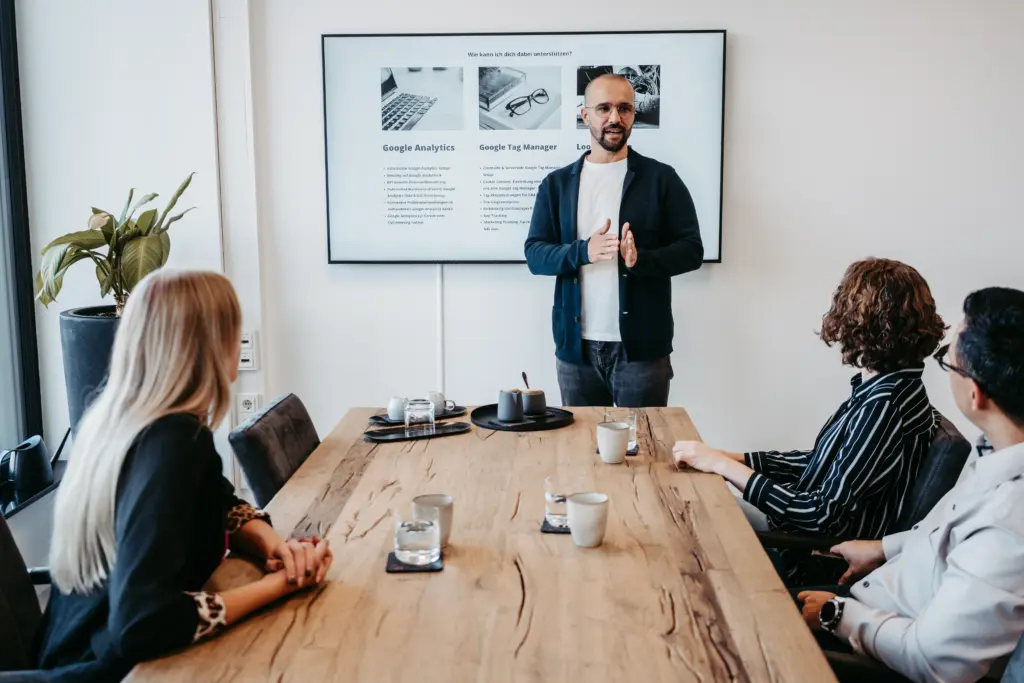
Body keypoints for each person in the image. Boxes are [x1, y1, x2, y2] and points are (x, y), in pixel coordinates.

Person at [33, 270, 333, 681]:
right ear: (211, 345)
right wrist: (281, 587)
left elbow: (217, 499)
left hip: (65, 645)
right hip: (116, 671)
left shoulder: (114, 418)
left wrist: (275, 547)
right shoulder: (174, 440)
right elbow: (142, 625)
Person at [797, 286, 1024, 683]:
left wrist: (837, 613)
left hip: (880, 643)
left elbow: (933, 660)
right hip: (878, 592)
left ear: (976, 393)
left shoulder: (1009, 524)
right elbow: (951, 535)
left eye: (946, 360)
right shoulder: (996, 449)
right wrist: (885, 547)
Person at [673, 258, 946, 585]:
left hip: (811, 553)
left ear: (861, 321)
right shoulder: (895, 386)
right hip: (798, 528)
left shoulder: (883, 405)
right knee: (694, 500)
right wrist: (734, 460)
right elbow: (823, 462)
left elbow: (823, 515)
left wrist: (724, 468)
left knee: (687, 519)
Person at [524, 72, 703, 408]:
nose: (614, 118)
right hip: (576, 352)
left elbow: (692, 250)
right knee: (580, 452)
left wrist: (641, 260)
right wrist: (583, 251)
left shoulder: (661, 179)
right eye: (604, 108)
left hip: (641, 352)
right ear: (585, 114)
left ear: (634, 114)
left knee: (645, 453)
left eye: (624, 109)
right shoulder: (556, 184)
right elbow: (535, 255)